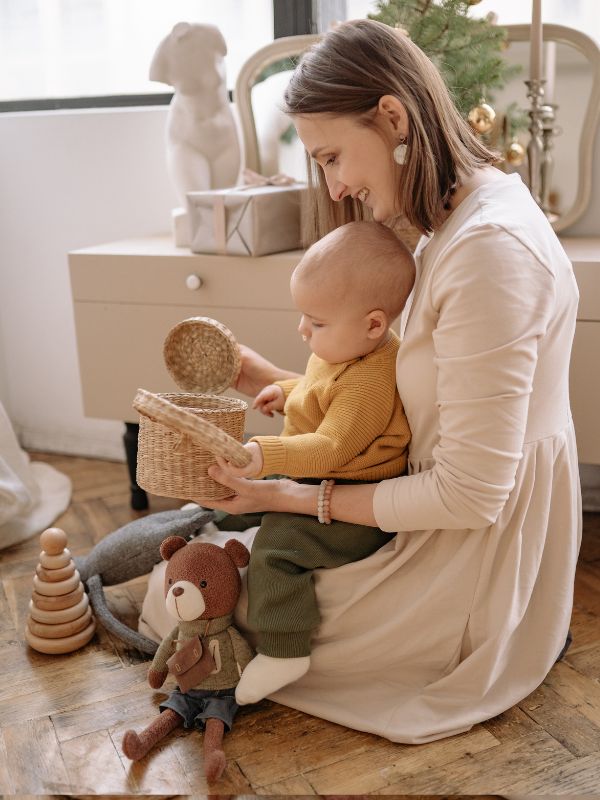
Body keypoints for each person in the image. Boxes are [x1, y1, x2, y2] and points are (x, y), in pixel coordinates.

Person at [194, 18, 581, 744]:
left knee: (204, 597)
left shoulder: (487, 254)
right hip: (426, 501)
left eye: (333, 156)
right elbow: (404, 400)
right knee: (213, 559)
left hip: (470, 546)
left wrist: (290, 495)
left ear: (393, 118)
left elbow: (470, 494)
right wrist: (278, 381)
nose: (336, 186)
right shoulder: (453, 222)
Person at [213, 220, 414, 704]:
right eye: (304, 316)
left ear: (374, 324)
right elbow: (318, 390)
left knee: (278, 546)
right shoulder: (345, 347)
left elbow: (331, 446)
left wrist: (264, 454)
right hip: (314, 475)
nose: (303, 329)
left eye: (316, 322)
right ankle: (216, 518)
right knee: (233, 501)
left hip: (350, 505)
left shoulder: (371, 379)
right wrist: (285, 392)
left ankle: (285, 650)